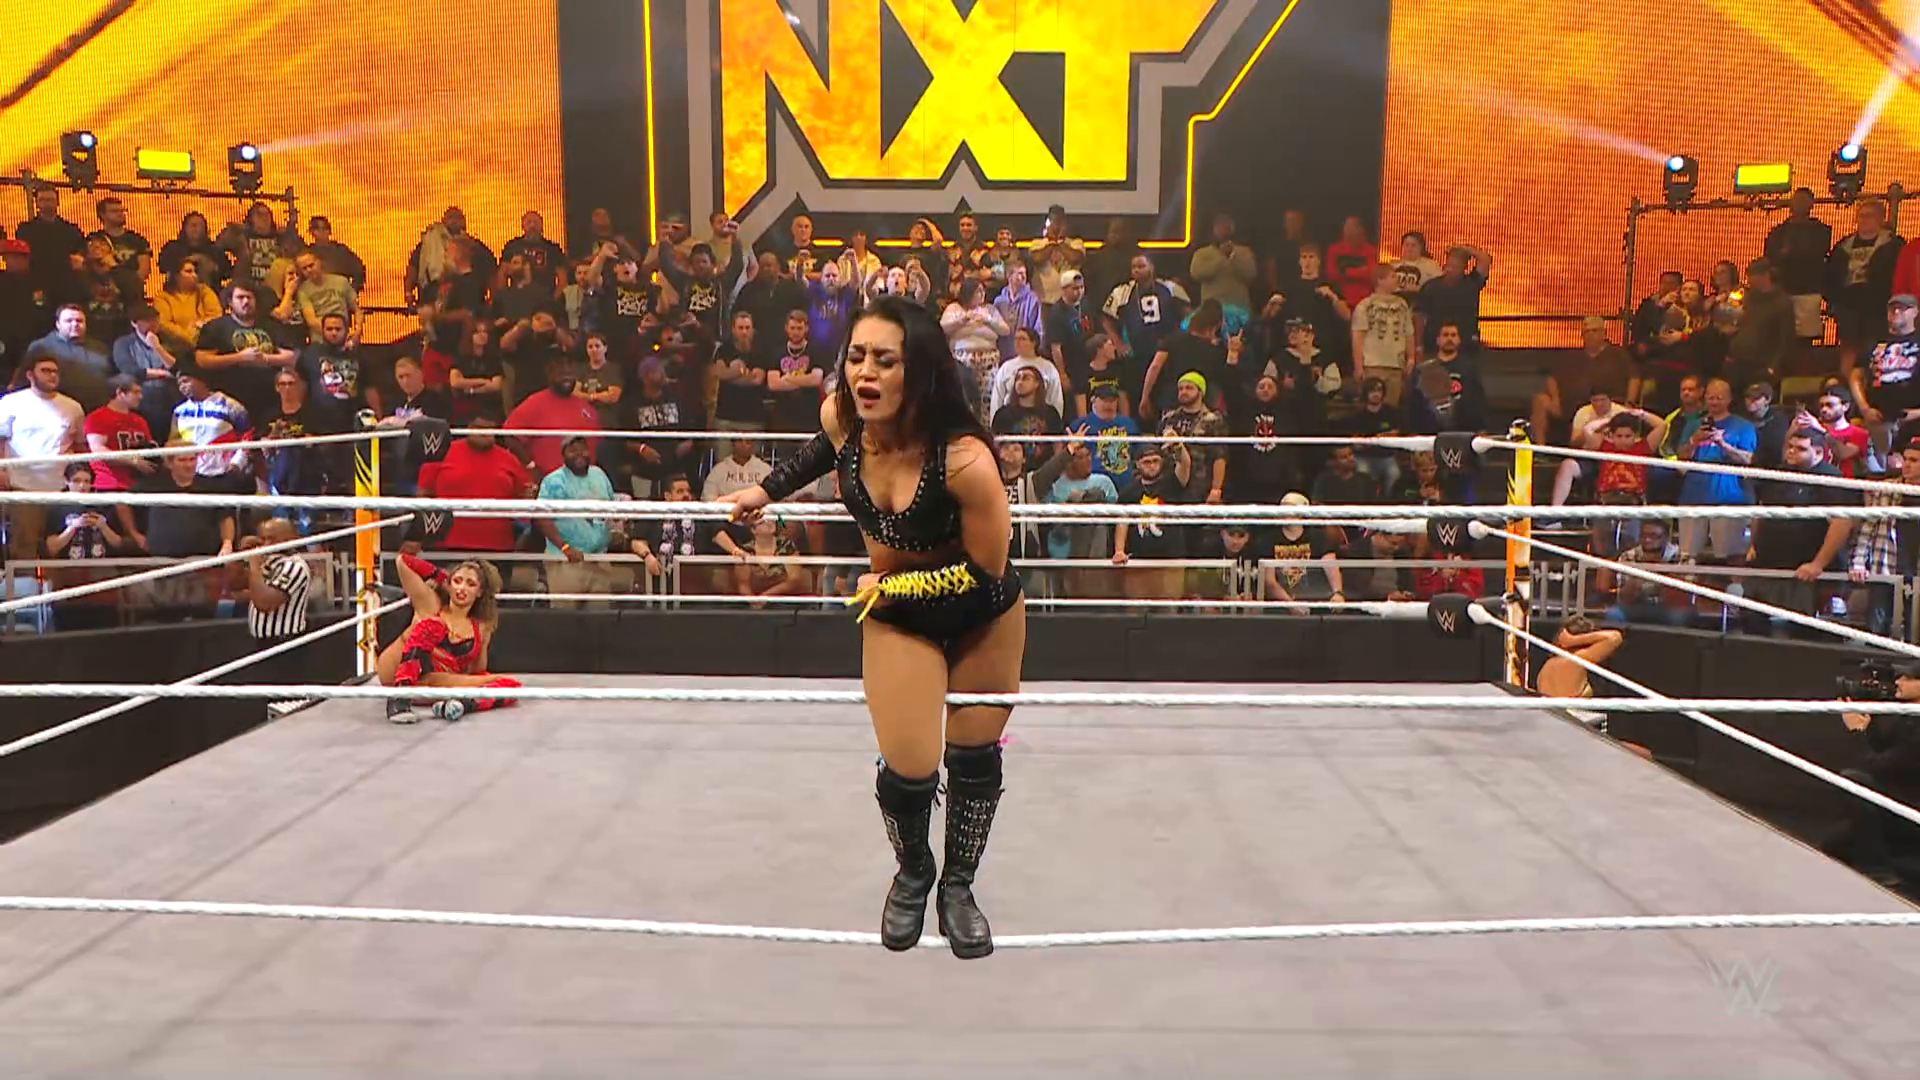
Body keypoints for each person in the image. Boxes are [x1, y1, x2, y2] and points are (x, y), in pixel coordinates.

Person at [719, 296, 1021, 960]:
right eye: (856, 357)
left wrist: (893, 586)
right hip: (896, 615)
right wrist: (765, 491)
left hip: (981, 614)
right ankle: (914, 871)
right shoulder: (844, 418)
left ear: (921, 371)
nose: (865, 373)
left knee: (974, 758)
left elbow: (986, 573)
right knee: (910, 766)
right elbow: (819, 452)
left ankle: (959, 887)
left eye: (885, 360)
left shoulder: (965, 460)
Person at [377, 551, 521, 724]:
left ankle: (461, 705)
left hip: (435, 682)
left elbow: (477, 670)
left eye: (470, 584)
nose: (462, 588)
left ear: (480, 592)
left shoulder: (481, 627)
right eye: (457, 581)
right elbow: (403, 561)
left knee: (511, 686)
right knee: (432, 625)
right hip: (396, 673)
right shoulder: (431, 604)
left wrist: (485, 679)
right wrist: (441, 576)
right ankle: (400, 698)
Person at [1535, 616, 1624, 700]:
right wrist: (1573, 640)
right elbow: (1615, 637)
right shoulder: (1578, 659)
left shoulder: (1547, 665)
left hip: (1545, 710)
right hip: (1569, 711)